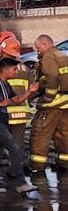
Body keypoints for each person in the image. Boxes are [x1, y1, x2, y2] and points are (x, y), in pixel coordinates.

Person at [0, 57, 40, 194]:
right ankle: (21, 182)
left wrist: (30, 91)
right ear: (5, 70)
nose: (17, 72)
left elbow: (16, 100)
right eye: (14, 69)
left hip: (2, 121)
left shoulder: (5, 85)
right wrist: (0, 104)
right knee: (14, 148)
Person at [0, 38, 35, 171]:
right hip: (20, 112)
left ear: (3, 51)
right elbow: (32, 90)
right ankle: (16, 170)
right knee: (17, 142)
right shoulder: (25, 68)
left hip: (2, 113)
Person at [31, 34, 68, 174]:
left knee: (40, 134)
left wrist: (48, 96)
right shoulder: (62, 55)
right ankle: (64, 163)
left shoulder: (48, 56)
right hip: (66, 102)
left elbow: (51, 77)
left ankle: (37, 167)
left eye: (38, 47)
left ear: (45, 44)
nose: (38, 51)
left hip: (53, 103)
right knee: (64, 134)